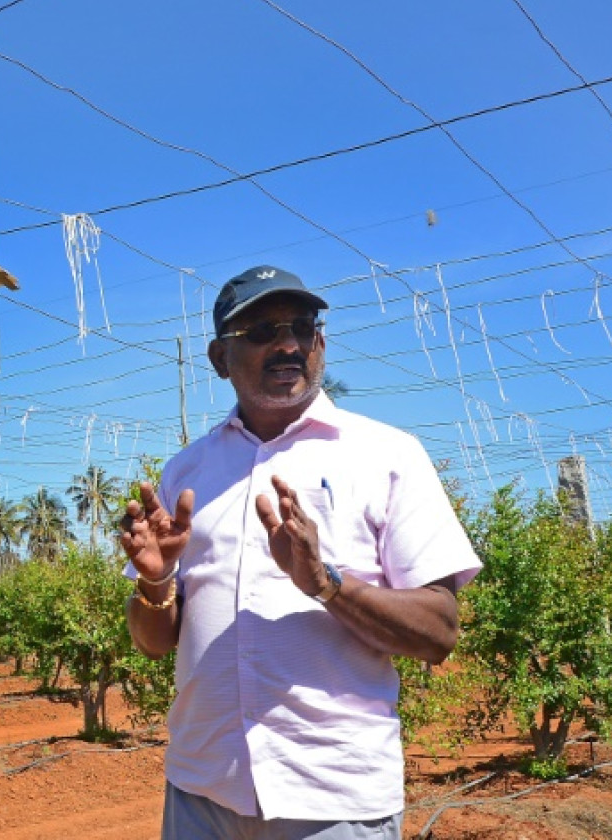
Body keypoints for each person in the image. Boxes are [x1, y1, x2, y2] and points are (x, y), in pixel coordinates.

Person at [118, 265, 481, 840]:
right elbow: (151, 643)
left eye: (301, 327)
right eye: (260, 331)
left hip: (332, 798)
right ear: (218, 358)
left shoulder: (386, 454)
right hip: (201, 788)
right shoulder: (187, 473)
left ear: (320, 342)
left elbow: (439, 632)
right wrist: (156, 585)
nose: (286, 343)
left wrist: (326, 583)